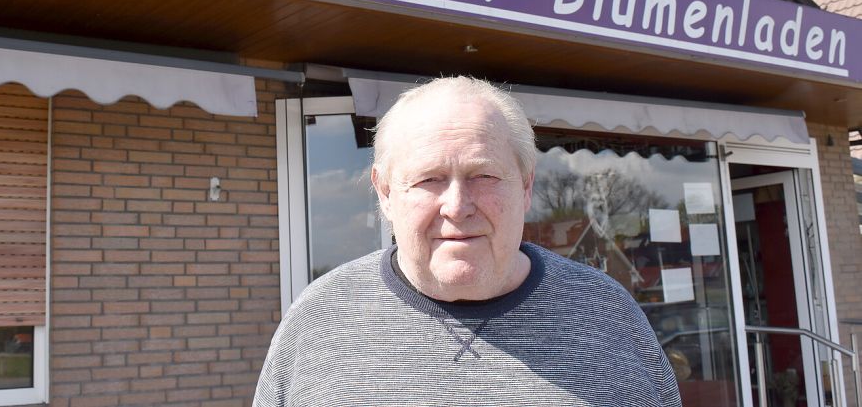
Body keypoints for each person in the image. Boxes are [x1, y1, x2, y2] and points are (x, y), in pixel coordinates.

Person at [253, 76, 681, 406]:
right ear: (385, 193)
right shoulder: (317, 322)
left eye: (484, 176)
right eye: (429, 179)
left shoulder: (606, 315)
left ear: (526, 187)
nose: (457, 206)